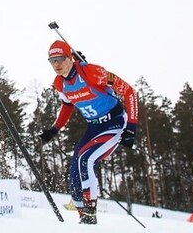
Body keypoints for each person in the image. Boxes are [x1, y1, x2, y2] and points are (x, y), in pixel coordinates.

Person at [39, 40, 139, 225]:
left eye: (60, 59)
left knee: (86, 159)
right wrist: (54, 129)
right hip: (94, 127)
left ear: (70, 58)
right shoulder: (59, 83)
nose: (56, 65)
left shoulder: (92, 72)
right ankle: (82, 216)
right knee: (75, 167)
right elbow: (67, 105)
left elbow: (130, 92)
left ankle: (90, 213)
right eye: (52, 61)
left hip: (115, 122)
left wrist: (131, 127)